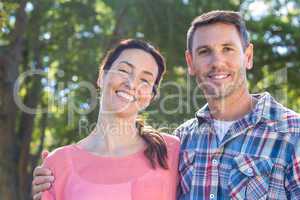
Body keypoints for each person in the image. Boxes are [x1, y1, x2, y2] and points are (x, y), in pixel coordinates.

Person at [32, 10, 300, 199]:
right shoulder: (181, 142)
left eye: (228, 49)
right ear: (191, 63)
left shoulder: (292, 133)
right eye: (204, 51)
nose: (217, 62)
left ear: (248, 56)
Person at [33, 39, 179, 200]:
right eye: (124, 70)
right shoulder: (58, 164)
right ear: (102, 76)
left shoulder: (172, 151)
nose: (131, 84)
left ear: (149, 98)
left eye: (145, 80)